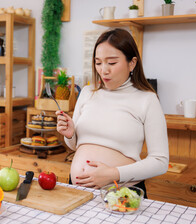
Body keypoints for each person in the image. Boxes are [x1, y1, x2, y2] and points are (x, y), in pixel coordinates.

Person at [56, 28, 169, 197]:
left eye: (112, 63)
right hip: (79, 191)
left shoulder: (147, 99)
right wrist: (70, 134)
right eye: (98, 62)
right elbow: (75, 146)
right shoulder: (87, 92)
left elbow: (160, 162)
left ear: (132, 63)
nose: (103, 70)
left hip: (122, 193)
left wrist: (112, 174)